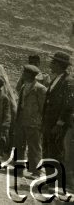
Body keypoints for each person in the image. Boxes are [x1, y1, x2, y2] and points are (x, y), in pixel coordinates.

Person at [42, 51, 74, 190]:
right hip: (48, 123)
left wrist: (59, 123)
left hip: (57, 125)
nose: (51, 64)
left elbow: (68, 105)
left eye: (53, 62)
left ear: (60, 65)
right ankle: (50, 181)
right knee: (47, 151)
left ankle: (57, 184)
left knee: (55, 152)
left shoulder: (68, 82)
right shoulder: (56, 79)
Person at [14, 64, 47, 178]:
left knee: (34, 147)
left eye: (25, 73)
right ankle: (18, 169)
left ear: (30, 75)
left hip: (34, 123)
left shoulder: (40, 89)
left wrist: (41, 123)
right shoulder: (24, 87)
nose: (23, 74)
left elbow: (43, 108)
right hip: (21, 121)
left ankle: (36, 171)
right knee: (19, 145)